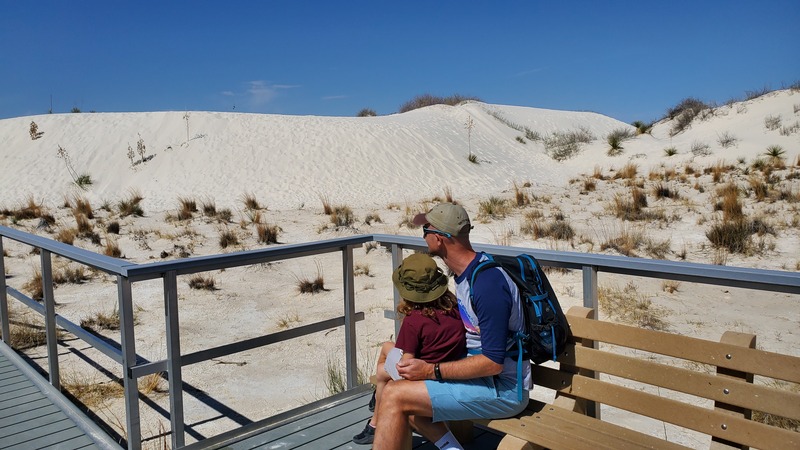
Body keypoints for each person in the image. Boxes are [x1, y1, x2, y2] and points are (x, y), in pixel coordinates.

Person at [373, 203, 530, 450]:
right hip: (483, 380)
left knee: (394, 395)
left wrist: (430, 371)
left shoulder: (487, 285)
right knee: (403, 393)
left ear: (440, 238)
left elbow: (493, 362)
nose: (423, 235)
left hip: (504, 390)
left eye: (425, 229)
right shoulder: (467, 274)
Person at [353, 253, 466, 445]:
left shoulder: (414, 321)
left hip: (425, 375)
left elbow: (408, 366)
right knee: (386, 347)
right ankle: (376, 408)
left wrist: (388, 375)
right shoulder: (454, 308)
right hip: (448, 367)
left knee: (382, 374)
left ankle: (375, 423)